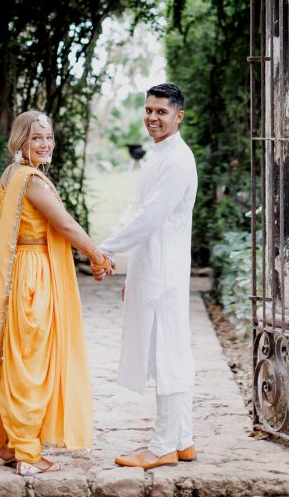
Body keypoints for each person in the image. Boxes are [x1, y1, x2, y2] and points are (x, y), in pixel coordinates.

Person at [0, 110, 113, 476]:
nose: (44, 144)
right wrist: (97, 256)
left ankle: (12, 444)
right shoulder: (31, 180)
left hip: (24, 270)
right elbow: (63, 223)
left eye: (48, 137)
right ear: (21, 141)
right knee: (32, 362)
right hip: (33, 275)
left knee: (20, 358)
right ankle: (28, 455)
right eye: (36, 138)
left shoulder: (12, 174)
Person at [99, 83, 198, 469]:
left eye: (161, 111)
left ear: (179, 116)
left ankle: (162, 447)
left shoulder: (176, 160)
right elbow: (136, 208)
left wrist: (104, 251)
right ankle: (184, 439)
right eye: (149, 110)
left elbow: (149, 218)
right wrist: (131, 275)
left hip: (165, 270)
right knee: (170, 352)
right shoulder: (158, 155)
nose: (153, 118)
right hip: (152, 266)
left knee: (169, 355)